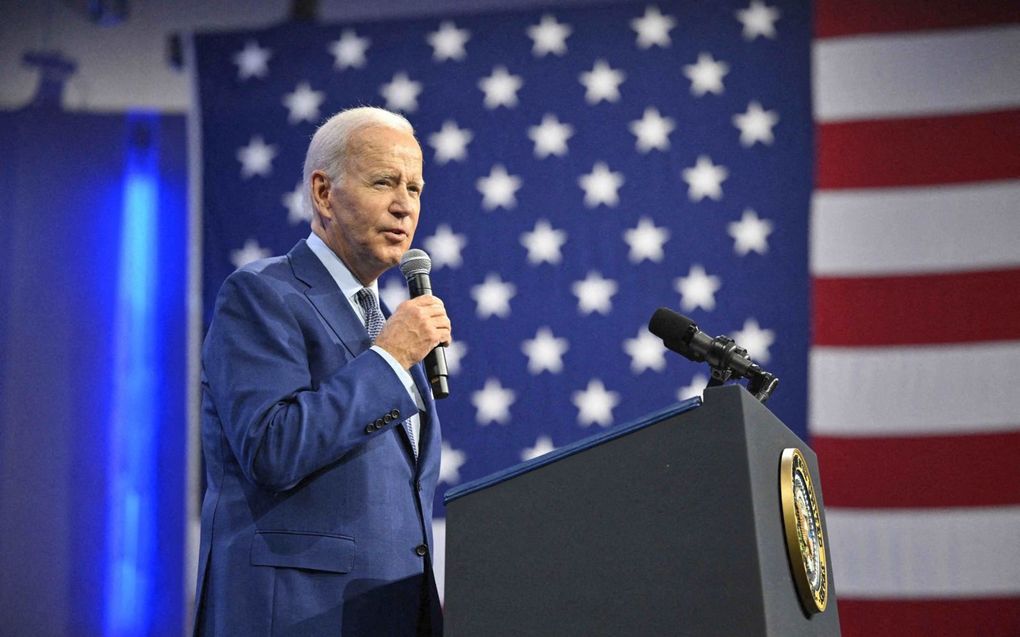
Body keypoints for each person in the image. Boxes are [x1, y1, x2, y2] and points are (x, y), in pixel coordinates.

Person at [193, 106, 450, 636]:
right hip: (296, 613)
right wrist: (390, 359)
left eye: (415, 188)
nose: (405, 206)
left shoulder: (380, 318)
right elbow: (272, 447)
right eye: (384, 183)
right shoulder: (262, 295)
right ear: (324, 193)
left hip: (391, 611)